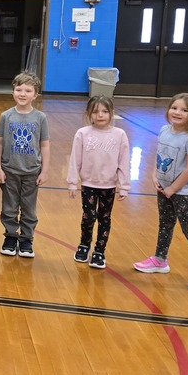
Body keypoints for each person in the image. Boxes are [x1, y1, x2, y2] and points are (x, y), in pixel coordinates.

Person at [133, 93, 188, 292]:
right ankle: (160, 260)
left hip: (183, 192)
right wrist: (154, 175)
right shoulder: (164, 130)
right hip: (164, 188)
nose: (177, 113)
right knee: (165, 224)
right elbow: (160, 155)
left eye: (184, 110)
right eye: (174, 108)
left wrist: (173, 188)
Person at [66, 95, 130, 269]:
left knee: (104, 218)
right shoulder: (83, 133)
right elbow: (75, 160)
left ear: (111, 113)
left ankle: (99, 251)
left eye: (104, 111)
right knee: (88, 217)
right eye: (95, 112)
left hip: (108, 186)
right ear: (89, 114)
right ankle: (84, 245)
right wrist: (73, 182)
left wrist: (124, 186)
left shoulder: (119, 135)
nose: (100, 115)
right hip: (88, 185)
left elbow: (124, 161)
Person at [0, 71, 50, 259]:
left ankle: (26, 239)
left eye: (28, 90)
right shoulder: (6, 116)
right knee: (9, 207)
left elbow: (45, 144)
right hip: (9, 170)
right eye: (19, 89)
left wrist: (45, 170)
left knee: (29, 208)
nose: (23, 94)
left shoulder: (40, 118)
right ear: (13, 92)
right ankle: (10, 237)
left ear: (35, 94)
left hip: (32, 171)